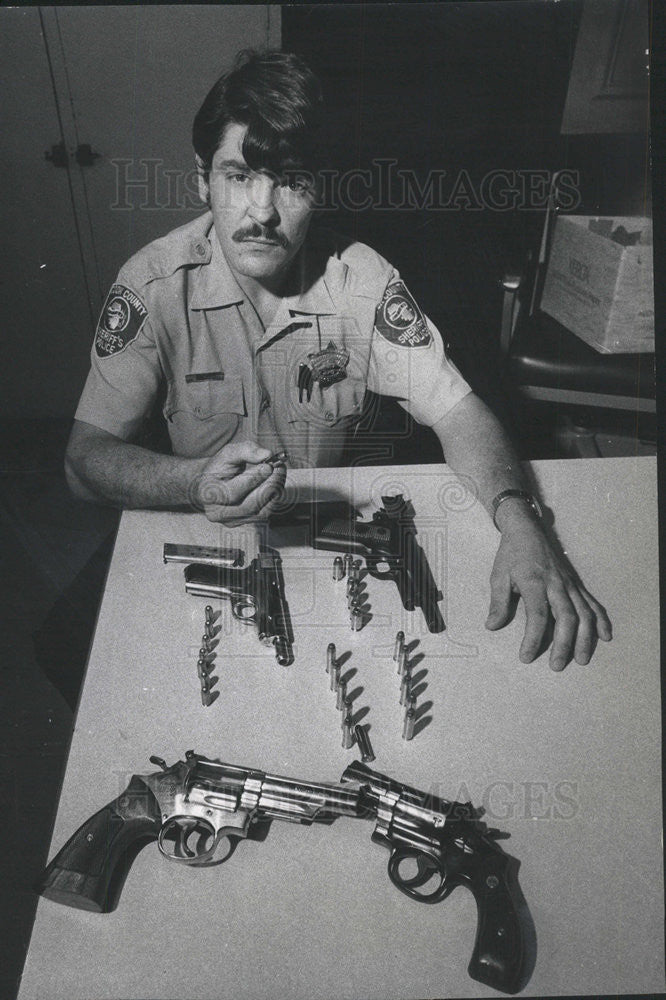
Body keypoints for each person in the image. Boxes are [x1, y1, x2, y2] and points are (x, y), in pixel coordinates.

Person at [65, 49, 612, 672]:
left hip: (328, 539)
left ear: (319, 188)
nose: (262, 211)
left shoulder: (363, 281)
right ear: (202, 180)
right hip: (201, 532)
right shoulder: (151, 285)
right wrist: (189, 482)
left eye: (291, 180)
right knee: (79, 656)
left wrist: (522, 521)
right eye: (239, 175)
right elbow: (83, 462)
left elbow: (460, 414)